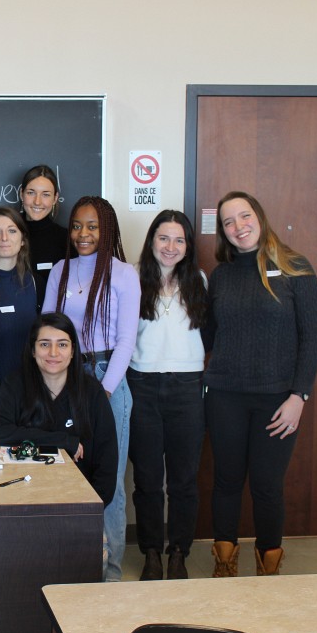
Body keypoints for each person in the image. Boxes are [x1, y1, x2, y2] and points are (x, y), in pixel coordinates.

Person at [205, 191, 317, 577]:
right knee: (226, 481)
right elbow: (207, 335)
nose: (238, 226)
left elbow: (313, 340)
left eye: (244, 216)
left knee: (267, 485)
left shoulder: (294, 267)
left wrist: (299, 396)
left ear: (259, 216)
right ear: (222, 231)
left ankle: (268, 570)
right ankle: (224, 564)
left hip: (277, 401)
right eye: (228, 222)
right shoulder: (221, 276)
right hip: (224, 397)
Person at [43, 195, 139, 582]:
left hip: (106, 377)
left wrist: (103, 392)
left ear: (107, 230)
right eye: (77, 226)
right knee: (65, 472)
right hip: (64, 376)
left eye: (93, 226)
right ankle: (72, 566)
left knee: (108, 478)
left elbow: (126, 341)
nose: (83, 234)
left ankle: (109, 573)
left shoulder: (123, 274)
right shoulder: (60, 270)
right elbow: (47, 327)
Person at [127, 210, 208, 580]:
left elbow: (209, 333)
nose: (170, 247)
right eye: (163, 238)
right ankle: (151, 553)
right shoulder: (132, 278)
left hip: (187, 388)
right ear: (152, 241)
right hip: (141, 385)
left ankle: (178, 553)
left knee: (183, 480)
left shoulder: (199, 281)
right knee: (147, 480)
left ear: (188, 246)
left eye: (179, 240)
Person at [0, 313, 117, 505]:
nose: (53, 353)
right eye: (45, 344)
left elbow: (107, 460)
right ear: (33, 350)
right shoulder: (14, 384)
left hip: (79, 502)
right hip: (22, 500)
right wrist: (61, 441)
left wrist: (92, 508)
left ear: (73, 351)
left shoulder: (92, 391)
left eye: (62, 345)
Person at [0, 206, 37, 385]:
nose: (4, 238)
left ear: (22, 240)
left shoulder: (33, 282)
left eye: (12, 231)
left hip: (29, 386)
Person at [19, 165, 71, 304]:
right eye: (31, 193)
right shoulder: (7, 236)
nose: (37, 201)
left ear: (55, 198)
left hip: (54, 315)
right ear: (21, 194)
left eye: (46, 194)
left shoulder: (66, 239)